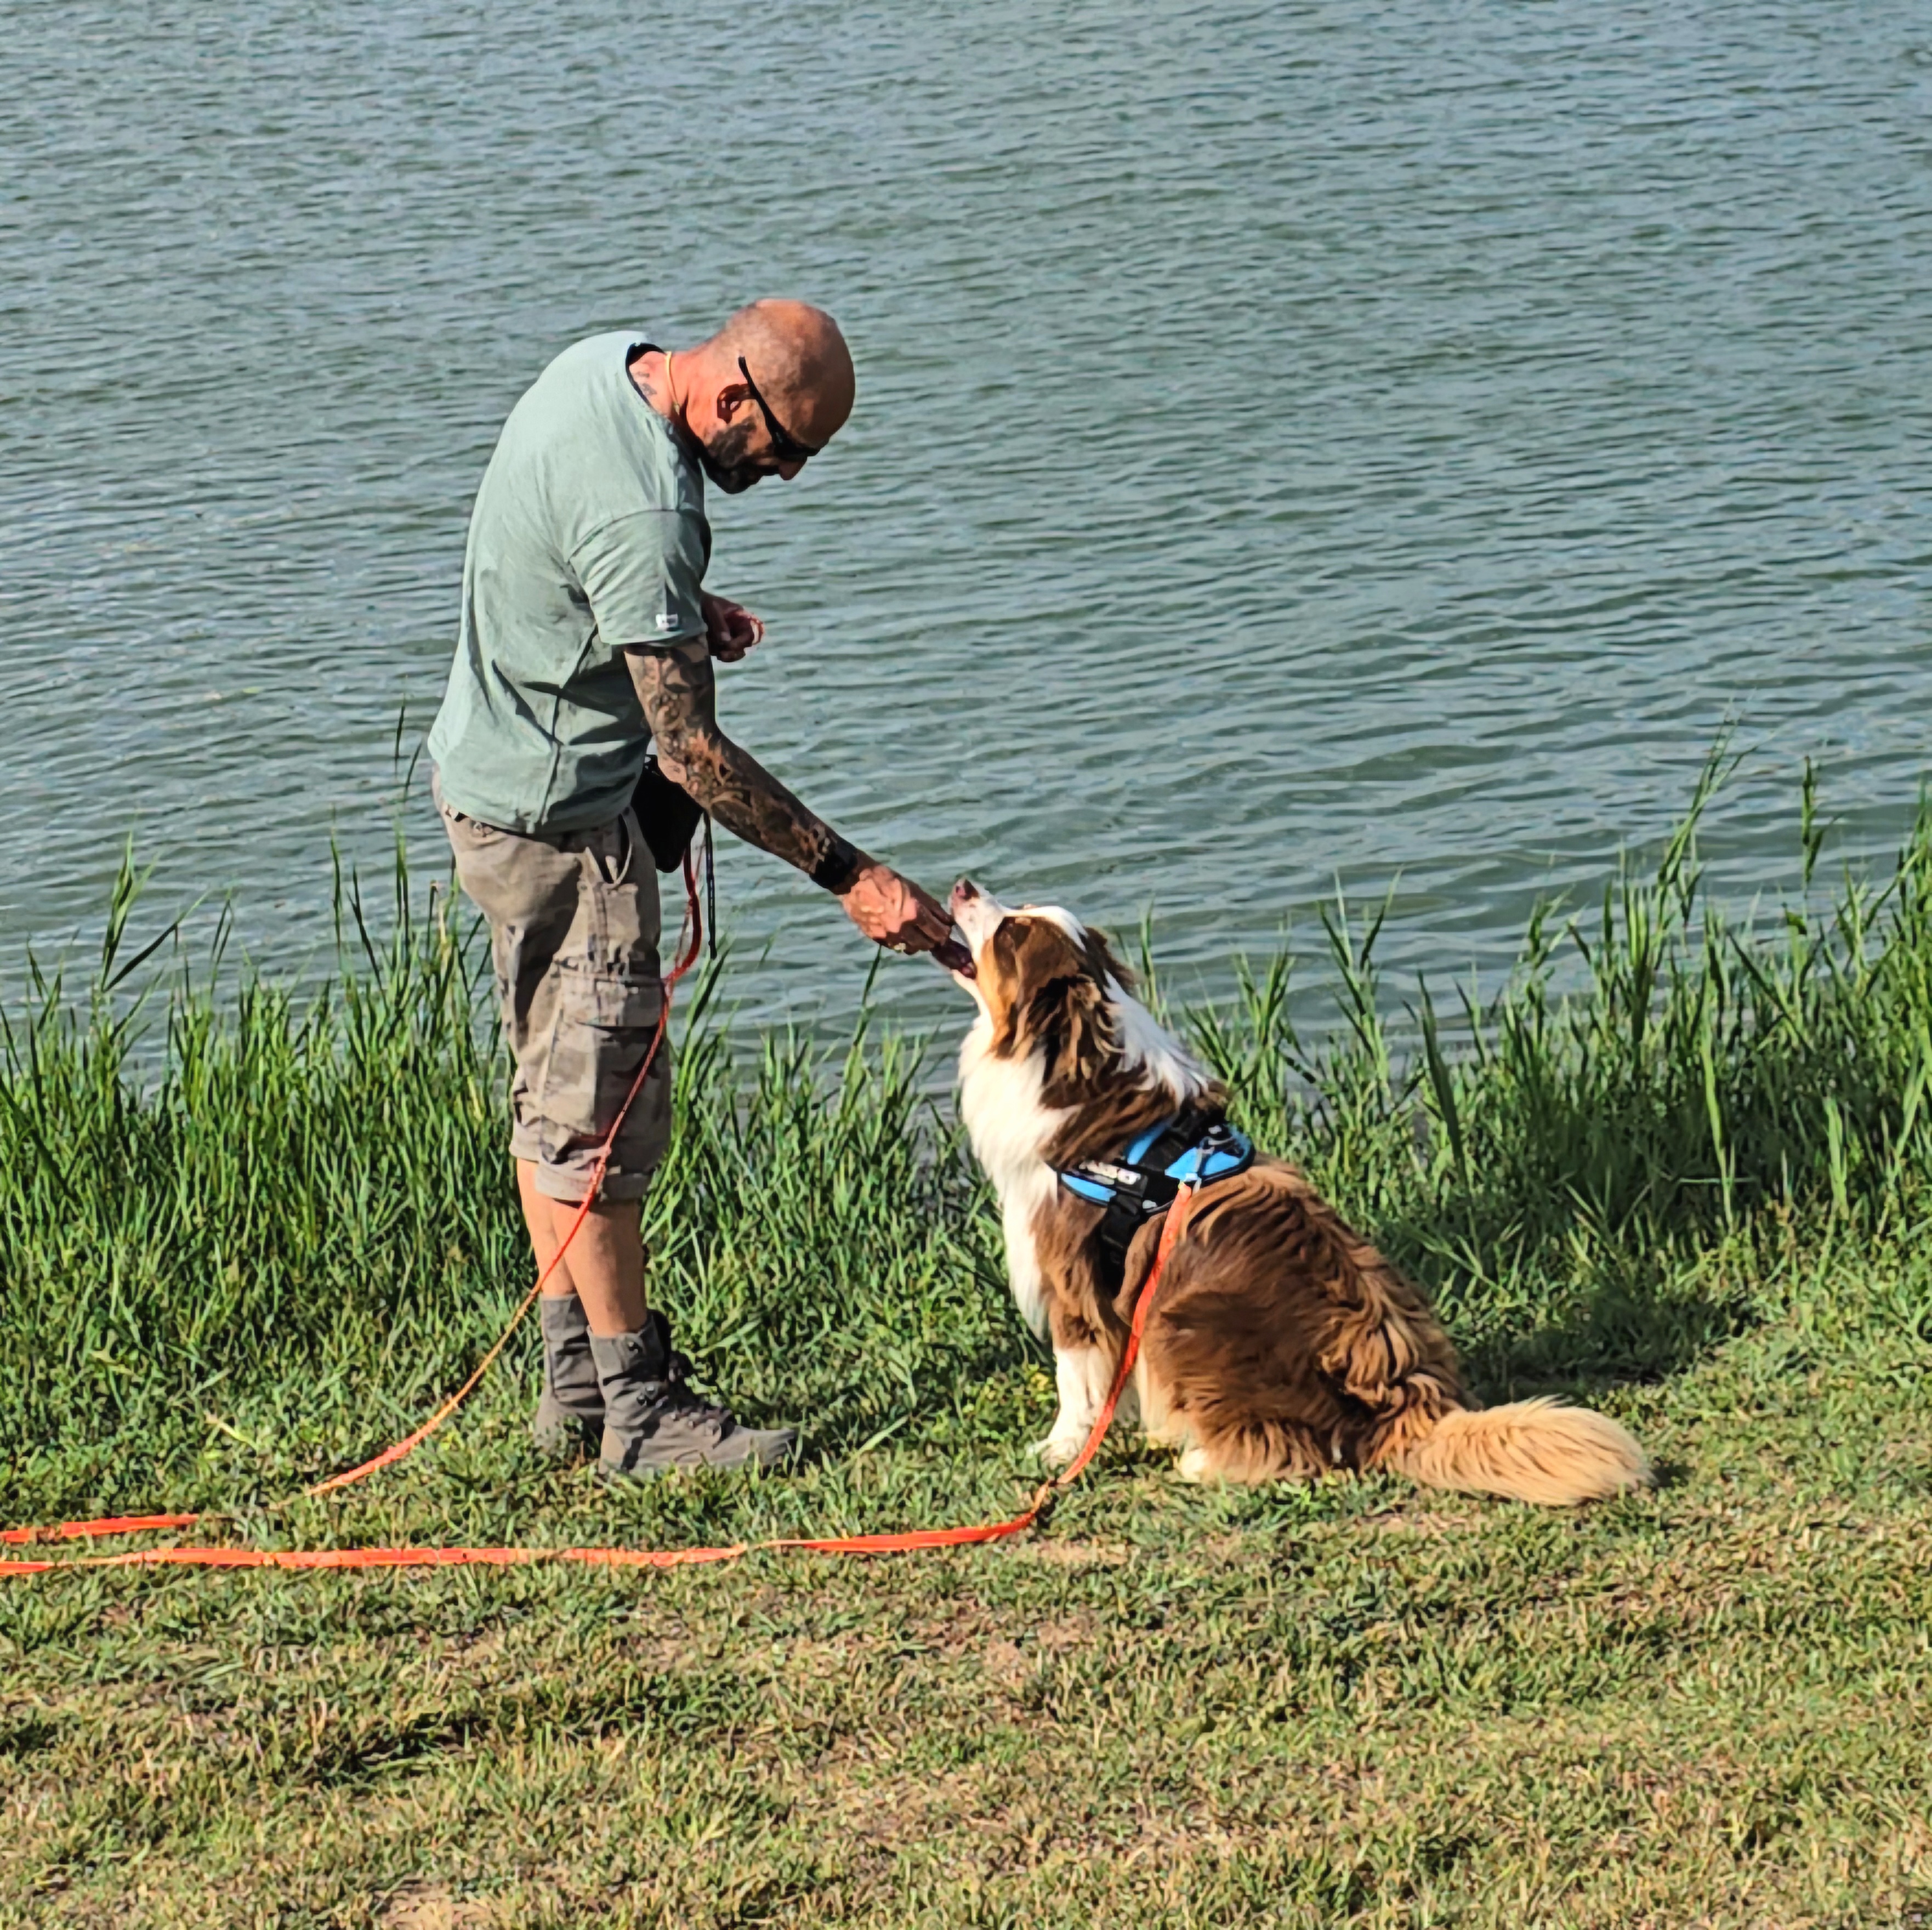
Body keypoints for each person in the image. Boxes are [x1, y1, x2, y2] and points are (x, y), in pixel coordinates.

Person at [425, 299, 953, 1479]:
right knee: (602, 1118)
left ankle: (572, 1386)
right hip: (567, 822)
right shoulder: (651, 506)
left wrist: (668, 615)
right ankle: (640, 1411)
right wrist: (852, 875)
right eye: (781, 451)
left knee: (548, 1089)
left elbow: (565, 548)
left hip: (485, 784)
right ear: (731, 400)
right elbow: (691, 755)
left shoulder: (596, 368)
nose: (781, 477)